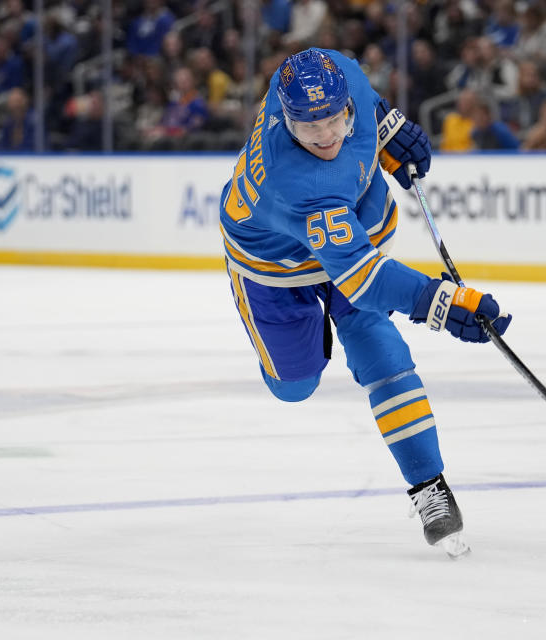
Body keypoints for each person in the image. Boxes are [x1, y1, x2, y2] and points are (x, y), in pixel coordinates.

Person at [217, 48, 511, 557]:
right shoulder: (294, 183)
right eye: (310, 129)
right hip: (275, 267)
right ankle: (305, 333)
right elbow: (367, 282)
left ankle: (428, 486)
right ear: (287, 122)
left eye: (335, 119)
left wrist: (389, 126)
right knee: (295, 386)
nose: (327, 136)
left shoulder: (340, 74)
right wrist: (442, 301)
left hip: (354, 239)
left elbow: (368, 102)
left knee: (386, 359)